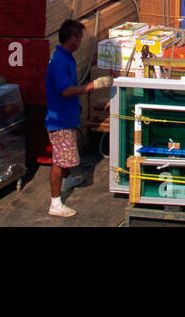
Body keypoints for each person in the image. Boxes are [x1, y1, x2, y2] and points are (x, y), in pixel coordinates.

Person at [45, 19, 111, 219]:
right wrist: (93, 85)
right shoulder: (59, 62)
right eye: (80, 37)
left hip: (68, 117)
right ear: (71, 38)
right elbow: (65, 91)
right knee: (60, 161)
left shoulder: (67, 58)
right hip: (61, 122)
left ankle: (67, 181)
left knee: (67, 158)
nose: (81, 41)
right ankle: (55, 202)